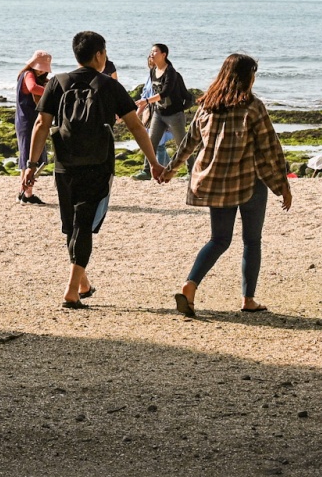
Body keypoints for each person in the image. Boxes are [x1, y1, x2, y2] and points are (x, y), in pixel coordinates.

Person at [25, 31, 162, 308]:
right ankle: (72, 289)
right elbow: (136, 126)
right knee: (84, 224)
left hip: (65, 163)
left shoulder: (58, 83)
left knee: (72, 226)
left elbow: (41, 125)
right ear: (99, 55)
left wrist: (31, 165)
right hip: (98, 164)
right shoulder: (108, 85)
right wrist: (154, 163)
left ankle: (82, 283)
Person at [172, 53, 292, 316]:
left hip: (217, 183)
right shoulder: (253, 106)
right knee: (252, 241)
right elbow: (271, 147)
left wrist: (171, 169)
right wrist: (283, 185)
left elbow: (189, 143)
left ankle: (190, 285)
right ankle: (248, 299)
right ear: (247, 76)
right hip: (250, 183)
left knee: (219, 239)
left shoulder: (207, 106)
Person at [135, 43, 192, 178]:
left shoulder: (171, 72)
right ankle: (146, 171)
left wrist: (147, 101)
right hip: (158, 113)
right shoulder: (153, 70)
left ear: (163, 55)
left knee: (182, 145)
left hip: (174, 114)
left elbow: (166, 92)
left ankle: (191, 172)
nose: (151, 54)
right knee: (150, 143)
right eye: (151, 51)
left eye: (155, 51)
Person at [14, 51, 52, 205]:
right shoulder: (28, 74)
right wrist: (51, 92)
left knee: (27, 157)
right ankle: (27, 194)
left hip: (24, 120)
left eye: (44, 68)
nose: (41, 70)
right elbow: (32, 88)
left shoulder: (26, 75)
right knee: (31, 158)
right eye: (40, 67)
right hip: (29, 121)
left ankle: (23, 192)